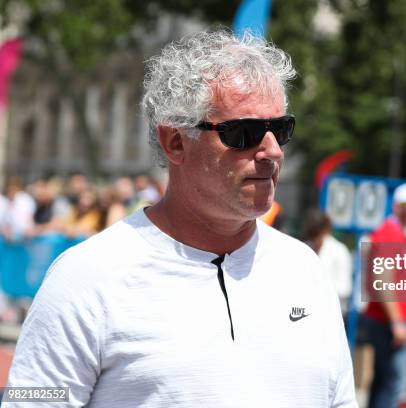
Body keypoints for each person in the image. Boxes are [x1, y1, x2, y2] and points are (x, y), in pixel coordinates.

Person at [5, 30, 356, 407]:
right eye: (244, 133)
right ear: (175, 142)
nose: (271, 151)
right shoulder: (86, 278)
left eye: (280, 130)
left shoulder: (304, 269)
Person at [362, 182, 406, 408]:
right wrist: (398, 322)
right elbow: (383, 281)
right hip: (387, 320)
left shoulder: (399, 233)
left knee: (384, 381)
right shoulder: (390, 232)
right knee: (392, 383)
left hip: (389, 318)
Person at [304, 209, 353, 317]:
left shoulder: (340, 251)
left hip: (330, 315)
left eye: (317, 235)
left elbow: (344, 289)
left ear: (325, 230)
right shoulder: (304, 248)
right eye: (311, 235)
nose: (314, 240)